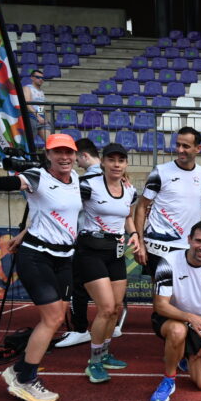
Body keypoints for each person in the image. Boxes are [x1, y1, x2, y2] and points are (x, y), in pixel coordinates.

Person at [0, 134, 82, 401]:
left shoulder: (75, 178)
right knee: (52, 318)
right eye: (58, 152)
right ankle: (25, 378)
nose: (64, 157)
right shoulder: (37, 177)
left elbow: (53, 214)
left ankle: (20, 369)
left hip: (64, 257)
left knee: (58, 315)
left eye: (69, 152)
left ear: (75, 154)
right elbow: (5, 183)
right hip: (37, 257)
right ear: (48, 155)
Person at [74, 143, 141, 383]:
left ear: (126, 164)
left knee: (116, 308)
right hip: (90, 251)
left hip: (116, 252)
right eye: (111, 160)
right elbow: (64, 205)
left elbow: (128, 217)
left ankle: (104, 353)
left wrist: (134, 234)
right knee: (106, 308)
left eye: (120, 160)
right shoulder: (88, 186)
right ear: (102, 162)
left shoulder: (129, 190)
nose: (116, 164)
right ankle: (93, 362)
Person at [149, 221, 201, 401]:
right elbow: (160, 306)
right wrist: (189, 317)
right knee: (178, 331)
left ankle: (182, 353)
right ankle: (169, 380)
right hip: (171, 317)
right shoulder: (168, 261)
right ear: (189, 240)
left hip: (200, 324)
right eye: (198, 241)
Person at [134, 126, 201, 278]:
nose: (180, 150)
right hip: (159, 246)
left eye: (186, 146)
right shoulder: (160, 171)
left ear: (198, 148)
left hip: (188, 247)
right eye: (178, 145)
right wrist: (140, 243)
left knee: (184, 291)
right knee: (160, 291)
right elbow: (141, 206)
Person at [55, 137, 110, 349]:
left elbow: (65, 207)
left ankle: (80, 329)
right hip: (110, 242)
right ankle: (110, 325)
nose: (75, 162)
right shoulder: (114, 177)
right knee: (109, 290)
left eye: (76, 158)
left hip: (86, 241)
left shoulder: (82, 182)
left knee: (78, 287)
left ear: (84, 155)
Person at [23, 69, 48, 142]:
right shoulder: (27, 88)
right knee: (29, 141)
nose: (40, 79)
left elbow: (40, 106)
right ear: (32, 78)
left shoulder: (41, 92)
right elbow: (28, 104)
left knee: (49, 140)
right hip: (30, 116)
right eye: (38, 77)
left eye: (42, 78)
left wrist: (41, 116)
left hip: (39, 117)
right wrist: (38, 116)